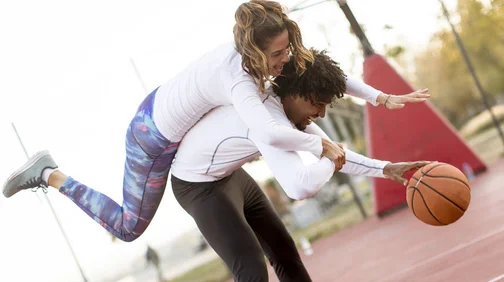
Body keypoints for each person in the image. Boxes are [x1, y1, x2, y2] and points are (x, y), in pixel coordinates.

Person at [2, 0, 429, 243]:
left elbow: (319, 71)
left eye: (287, 50)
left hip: (166, 117)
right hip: (151, 137)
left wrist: (381, 97)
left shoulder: (272, 67)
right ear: (258, 52)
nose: (287, 60)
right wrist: (321, 147)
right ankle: (51, 173)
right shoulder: (238, 81)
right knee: (128, 228)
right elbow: (268, 134)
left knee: (300, 134)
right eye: (279, 54)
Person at [170, 48, 430, 282]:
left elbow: (330, 151)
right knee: (250, 271)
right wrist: (331, 156)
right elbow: (300, 185)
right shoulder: (267, 121)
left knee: (284, 252)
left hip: (229, 176)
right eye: (317, 105)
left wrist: (385, 169)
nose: (321, 113)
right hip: (198, 186)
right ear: (295, 94)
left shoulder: (291, 107)